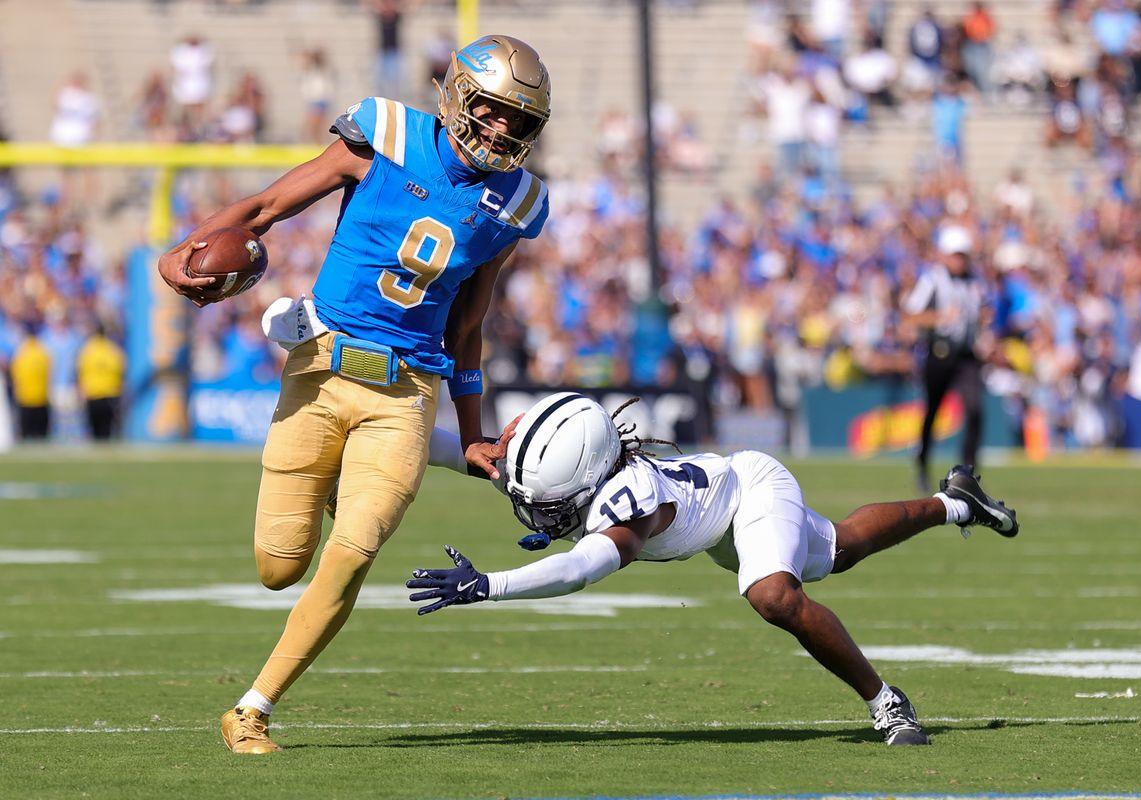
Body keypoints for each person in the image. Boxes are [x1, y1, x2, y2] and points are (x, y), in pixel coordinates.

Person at [157, 34, 553, 754]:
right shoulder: (386, 133)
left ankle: (253, 709)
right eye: (492, 110)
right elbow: (271, 203)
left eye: (518, 121)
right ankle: (346, 480)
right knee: (279, 567)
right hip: (320, 370)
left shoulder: (516, 202)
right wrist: (182, 249)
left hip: (406, 394)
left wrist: (472, 429)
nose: (501, 129)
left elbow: (470, 325)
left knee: (355, 550)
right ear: (460, 95)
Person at [406, 392, 1020, 747]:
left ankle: (887, 702)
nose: (530, 504)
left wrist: (490, 585)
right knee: (840, 549)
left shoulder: (630, 503)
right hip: (718, 519)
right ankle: (957, 501)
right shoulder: (560, 469)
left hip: (749, 486)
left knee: (773, 595)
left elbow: (579, 569)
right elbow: (441, 447)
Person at [903, 225, 991, 493]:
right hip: (940, 353)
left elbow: (983, 312)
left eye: (963, 255)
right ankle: (922, 463)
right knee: (932, 413)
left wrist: (984, 331)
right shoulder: (932, 279)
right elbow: (911, 315)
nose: (959, 261)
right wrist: (940, 318)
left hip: (966, 355)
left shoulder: (975, 281)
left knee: (975, 411)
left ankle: (968, 474)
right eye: (955, 255)